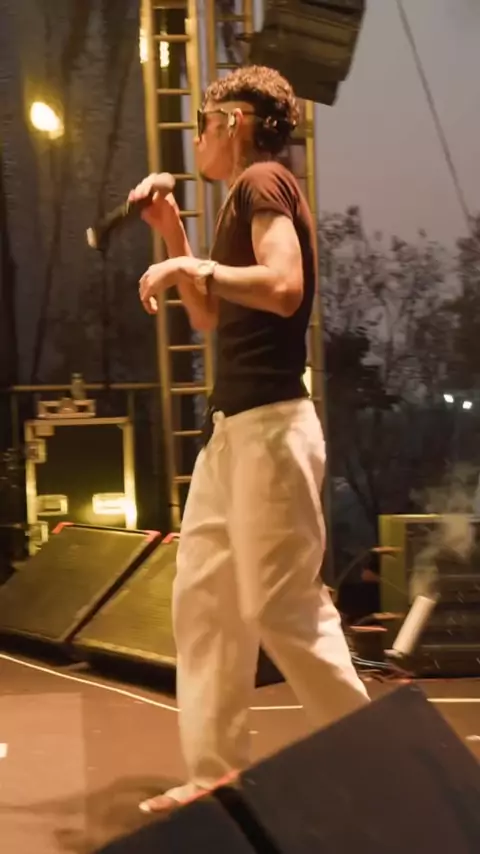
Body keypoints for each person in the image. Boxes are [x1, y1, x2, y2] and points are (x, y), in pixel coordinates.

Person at [130, 65, 369, 815]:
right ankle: (216, 776)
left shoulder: (264, 181)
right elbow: (209, 316)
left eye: (204, 123)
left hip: (271, 429)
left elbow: (284, 285)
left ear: (233, 122)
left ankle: (382, 766)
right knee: (205, 600)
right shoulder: (242, 197)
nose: (198, 137)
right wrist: (173, 232)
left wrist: (189, 261)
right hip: (233, 431)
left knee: (282, 605)